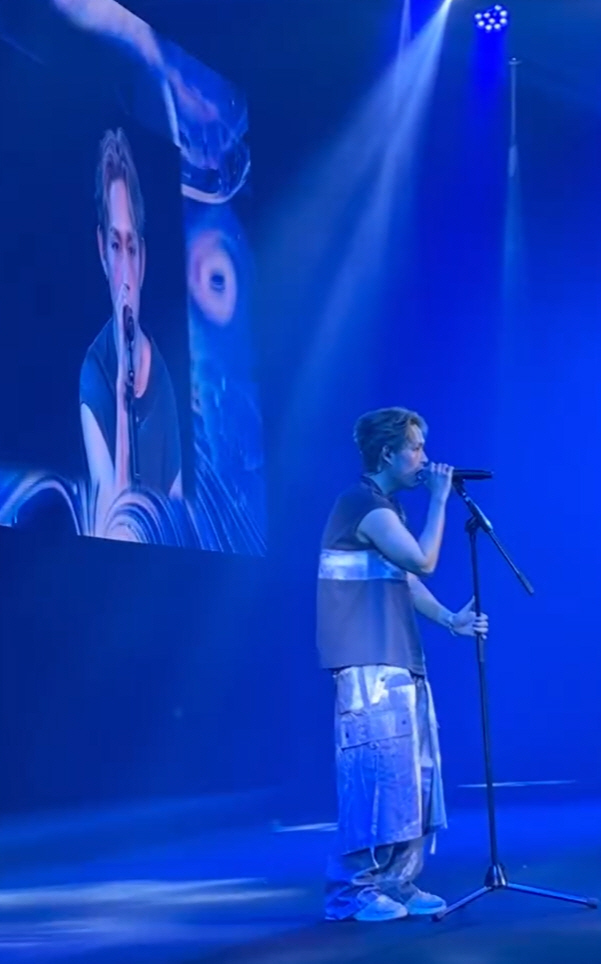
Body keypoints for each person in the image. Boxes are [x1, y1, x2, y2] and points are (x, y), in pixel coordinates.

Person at [317, 407, 489, 922]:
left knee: (412, 775)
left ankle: (397, 879)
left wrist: (448, 620)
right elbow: (422, 560)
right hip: (365, 657)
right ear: (388, 453)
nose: (424, 458)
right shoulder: (360, 504)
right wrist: (439, 500)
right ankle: (352, 891)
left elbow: (405, 581)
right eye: (415, 448)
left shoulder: (386, 508)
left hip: (398, 654)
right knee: (373, 774)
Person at [80, 128, 182, 532]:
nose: (125, 272)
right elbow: (114, 527)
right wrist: (123, 394)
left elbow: (178, 523)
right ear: (102, 253)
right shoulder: (94, 372)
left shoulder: (164, 375)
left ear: (143, 258)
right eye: (116, 248)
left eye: (132, 247)